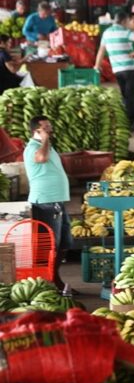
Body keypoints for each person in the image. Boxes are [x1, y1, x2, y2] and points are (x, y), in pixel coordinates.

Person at [23, 116, 72, 290]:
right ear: (36, 130)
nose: (50, 129)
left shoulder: (47, 146)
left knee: (63, 243)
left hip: (56, 201)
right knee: (51, 244)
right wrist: (44, 140)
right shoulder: (33, 148)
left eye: (50, 126)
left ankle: (55, 279)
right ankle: (49, 282)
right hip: (45, 202)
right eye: (45, 127)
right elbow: (41, 158)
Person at [94, 11, 134, 130]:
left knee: (125, 96)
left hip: (117, 71)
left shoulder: (106, 33)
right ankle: (129, 122)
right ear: (124, 21)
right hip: (131, 69)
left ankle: (128, 120)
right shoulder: (126, 32)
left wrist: (97, 65)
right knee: (132, 97)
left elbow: (101, 51)